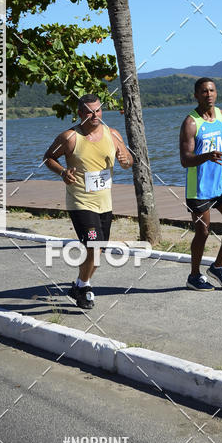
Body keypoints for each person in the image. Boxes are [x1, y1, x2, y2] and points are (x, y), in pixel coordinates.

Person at [43, 93, 133, 309]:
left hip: (105, 203)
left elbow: (128, 160)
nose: (95, 115)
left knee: (99, 250)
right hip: (80, 202)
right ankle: (83, 288)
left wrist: (125, 160)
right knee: (94, 246)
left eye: (98, 110)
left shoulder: (112, 134)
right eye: (90, 111)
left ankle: (79, 284)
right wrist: (63, 172)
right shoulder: (70, 137)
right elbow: (48, 158)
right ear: (80, 113)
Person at [179, 77, 222, 290]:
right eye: (204, 91)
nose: (209, 95)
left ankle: (217, 267)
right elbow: (185, 160)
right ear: (196, 95)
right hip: (199, 188)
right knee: (203, 233)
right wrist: (206, 156)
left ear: (217, 93)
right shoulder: (191, 122)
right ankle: (194, 276)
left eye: (212, 90)